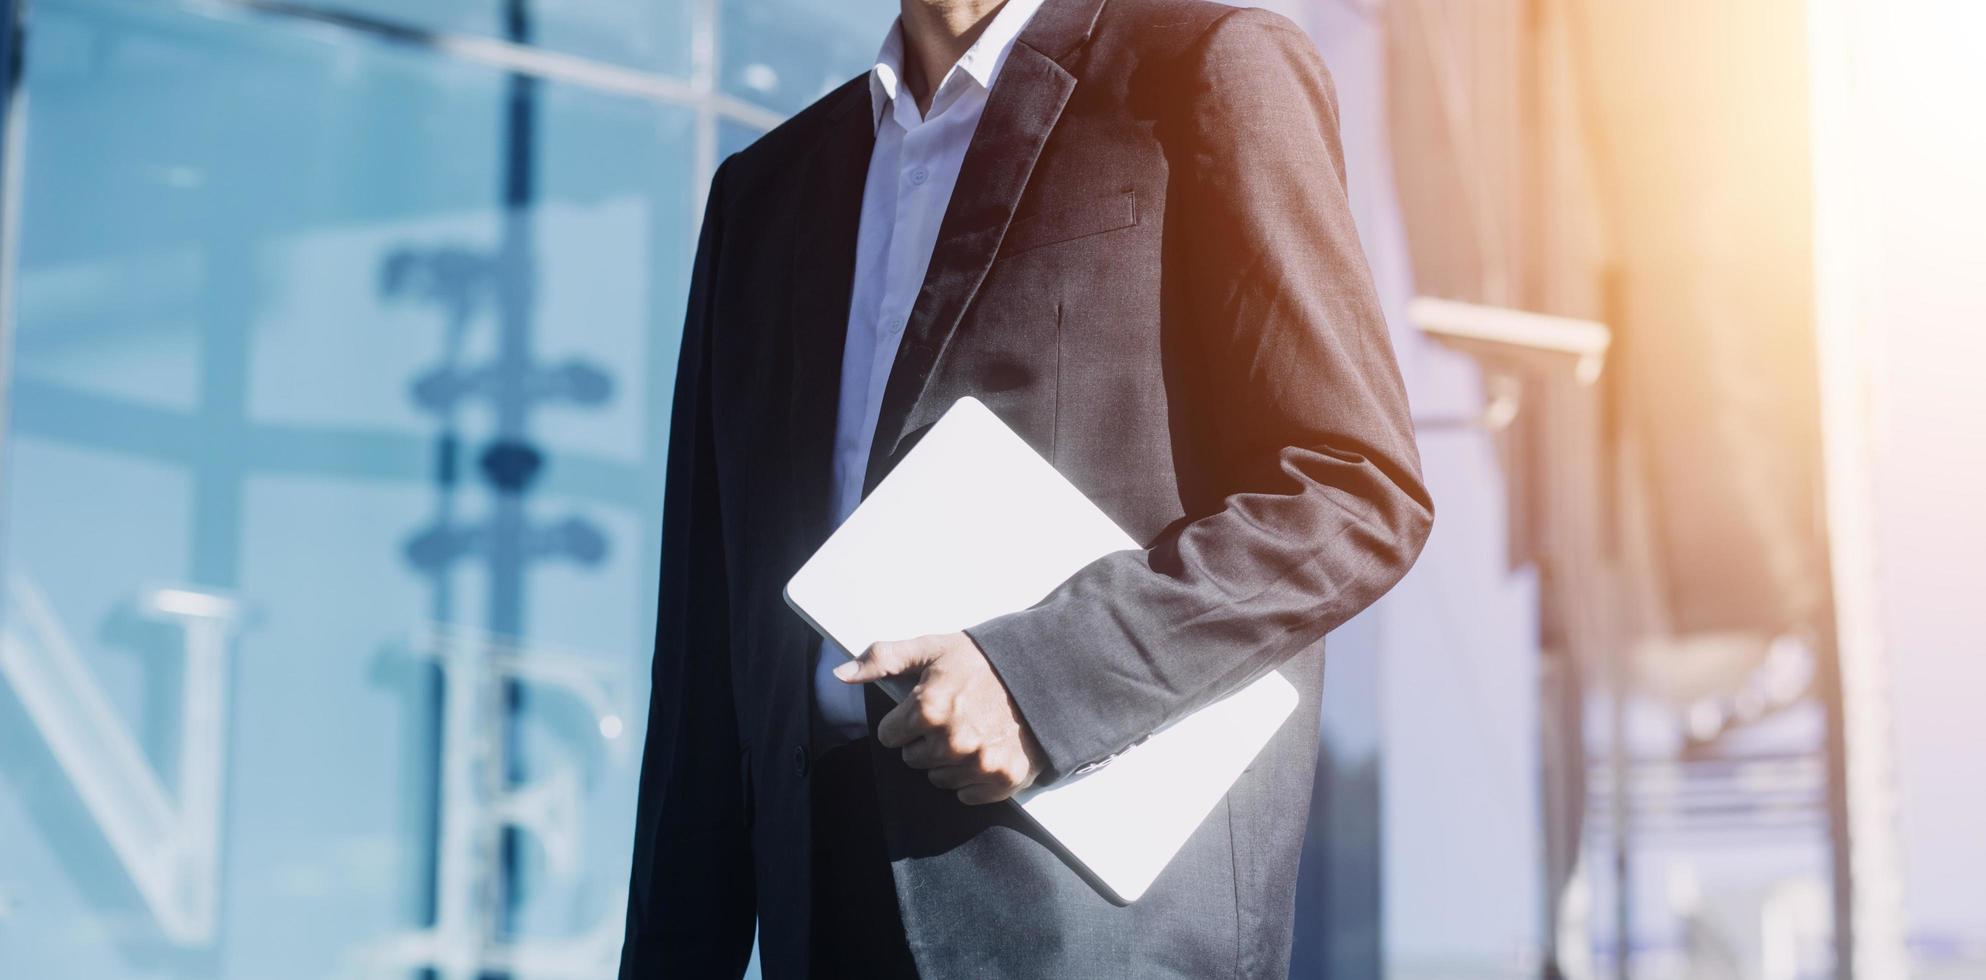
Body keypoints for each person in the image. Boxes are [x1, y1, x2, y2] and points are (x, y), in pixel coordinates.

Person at [619, 0, 1432, 975]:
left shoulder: (1208, 68)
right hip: (821, 910)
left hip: (1091, 921)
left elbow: (1353, 489)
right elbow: (707, 654)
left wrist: (1039, 681)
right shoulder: (763, 191)